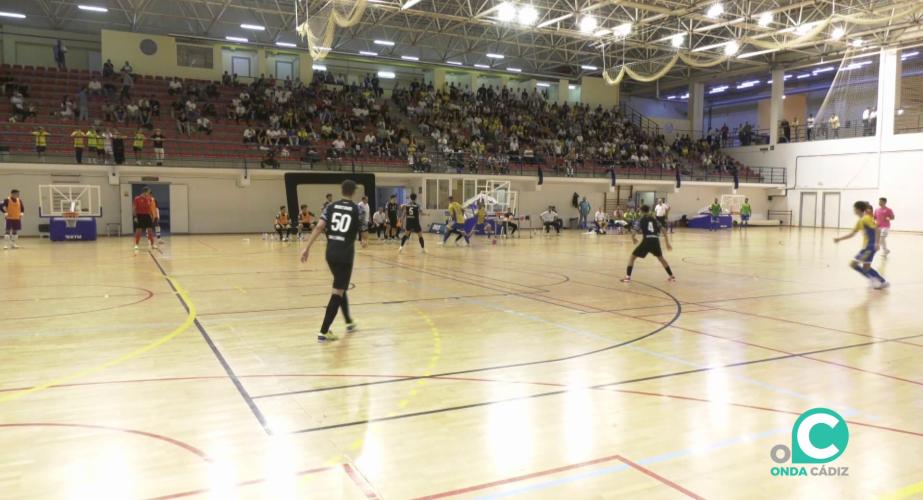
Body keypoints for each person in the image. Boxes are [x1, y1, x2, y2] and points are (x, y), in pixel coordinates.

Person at [300, 180, 368, 341]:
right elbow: (364, 231)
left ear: (342, 190)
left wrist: (307, 248)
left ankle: (349, 322)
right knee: (338, 291)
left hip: (330, 253)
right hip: (345, 255)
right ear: (353, 192)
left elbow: (318, 227)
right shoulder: (358, 209)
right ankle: (323, 331)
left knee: (340, 285)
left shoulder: (330, 206)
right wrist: (364, 240)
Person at [833, 201, 888, 289]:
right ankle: (881, 281)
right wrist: (839, 239)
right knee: (866, 267)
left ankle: (875, 280)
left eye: (854, 208)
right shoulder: (860, 221)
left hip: (870, 247)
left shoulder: (866, 218)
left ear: (857, 209)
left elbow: (877, 229)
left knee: (853, 264)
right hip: (866, 247)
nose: (853, 210)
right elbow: (852, 234)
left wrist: (877, 243)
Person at [621, 205, 675, 283]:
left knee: (632, 258)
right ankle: (672, 276)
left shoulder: (640, 220)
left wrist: (633, 238)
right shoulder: (654, 219)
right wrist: (667, 243)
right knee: (661, 259)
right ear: (648, 210)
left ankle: (627, 277)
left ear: (641, 211)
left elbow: (634, 232)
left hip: (647, 240)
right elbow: (663, 229)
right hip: (655, 240)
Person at [132, 187, 156, 251]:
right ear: (144, 192)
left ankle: (153, 244)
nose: (149, 193)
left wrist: (153, 216)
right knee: (138, 231)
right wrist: (135, 217)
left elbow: (150, 209)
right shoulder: (137, 199)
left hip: (147, 216)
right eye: (148, 192)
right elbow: (134, 208)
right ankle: (136, 245)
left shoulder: (149, 199)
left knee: (150, 231)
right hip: (140, 216)